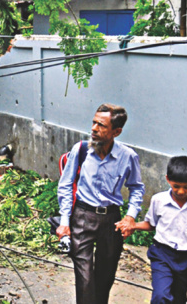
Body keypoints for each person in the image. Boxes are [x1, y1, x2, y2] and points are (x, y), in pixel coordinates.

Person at [57, 103, 145, 304]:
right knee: (85, 280)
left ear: (116, 131)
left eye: (101, 125)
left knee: (104, 280)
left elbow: (137, 188)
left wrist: (130, 216)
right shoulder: (80, 150)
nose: (94, 128)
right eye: (94, 123)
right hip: (82, 218)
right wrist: (64, 221)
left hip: (111, 221)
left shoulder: (128, 156)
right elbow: (65, 185)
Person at [123, 156, 187, 304]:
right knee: (161, 296)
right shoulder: (159, 200)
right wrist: (133, 226)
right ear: (167, 179)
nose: (181, 191)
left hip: (186, 259)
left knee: (178, 299)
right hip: (162, 255)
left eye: (186, 187)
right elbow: (151, 224)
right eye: (176, 186)